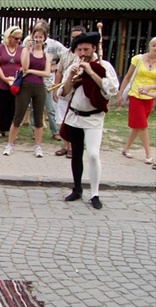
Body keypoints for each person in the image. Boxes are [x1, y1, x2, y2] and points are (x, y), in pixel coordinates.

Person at [59, 32, 119, 210]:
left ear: (94, 48)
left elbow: (111, 89)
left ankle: (95, 193)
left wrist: (91, 72)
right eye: (79, 49)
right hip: (75, 116)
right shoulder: (74, 66)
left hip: (94, 117)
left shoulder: (104, 66)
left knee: (93, 154)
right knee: (76, 154)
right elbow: (63, 93)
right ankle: (77, 189)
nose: (83, 52)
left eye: (86, 49)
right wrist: (71, 77)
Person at [3, 24, 51, 158]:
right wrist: (29, 50)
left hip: (39, 86)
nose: (38, 39)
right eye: (36, 37)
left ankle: (38, 146)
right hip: (25, 86)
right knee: (18, 115)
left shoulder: (46, 55)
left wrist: (31, 71)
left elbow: (46, 73)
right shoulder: (26, 50)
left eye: (40, 37)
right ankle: (10, 144)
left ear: (44, 38)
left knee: (38, 118)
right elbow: (24, 67)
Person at [24, 20, 67, 141]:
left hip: (47, 81)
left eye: (41, 34)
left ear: (45, 34)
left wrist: (56, 66)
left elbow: (67, 55)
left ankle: (55, 131)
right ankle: (35, 130)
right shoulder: (28, 43)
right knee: (34, 108)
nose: (37, 38)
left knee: (50, 108)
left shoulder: (53, 45)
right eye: (35, 34)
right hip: (32, 80)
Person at [117, 37, 156, 165]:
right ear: (150, 46)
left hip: (150, 97)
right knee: (143, 125)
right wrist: (120, 93)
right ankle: (149, 154)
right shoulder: (138, 59)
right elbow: (128, 77)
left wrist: (150, 88)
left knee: (138, 126)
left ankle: (126, 148)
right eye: (154, 46)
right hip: (135, 95)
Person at [54, 25, 87, 158]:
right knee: (63, 119)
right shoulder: (66, 53)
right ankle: (65, 146)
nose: (75, 40)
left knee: (75, 119)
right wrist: (56, 88)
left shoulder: (85, 54)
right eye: (73, 37)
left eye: (78, 37)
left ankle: (74, 147)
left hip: (79, 91)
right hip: (65, 89)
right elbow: (59, 71)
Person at [0, 26, 24, 139]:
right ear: (9, 37)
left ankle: (13, 130)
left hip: (16, 83)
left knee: (14, 107)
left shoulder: (21, 49)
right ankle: (2, 130)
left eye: (19, 39)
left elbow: (25, 64)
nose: (18, 41)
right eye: (16, 38)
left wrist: (18, 77)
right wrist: (4, 78)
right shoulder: (0, 48)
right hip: (0, 82)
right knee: (2, 105)